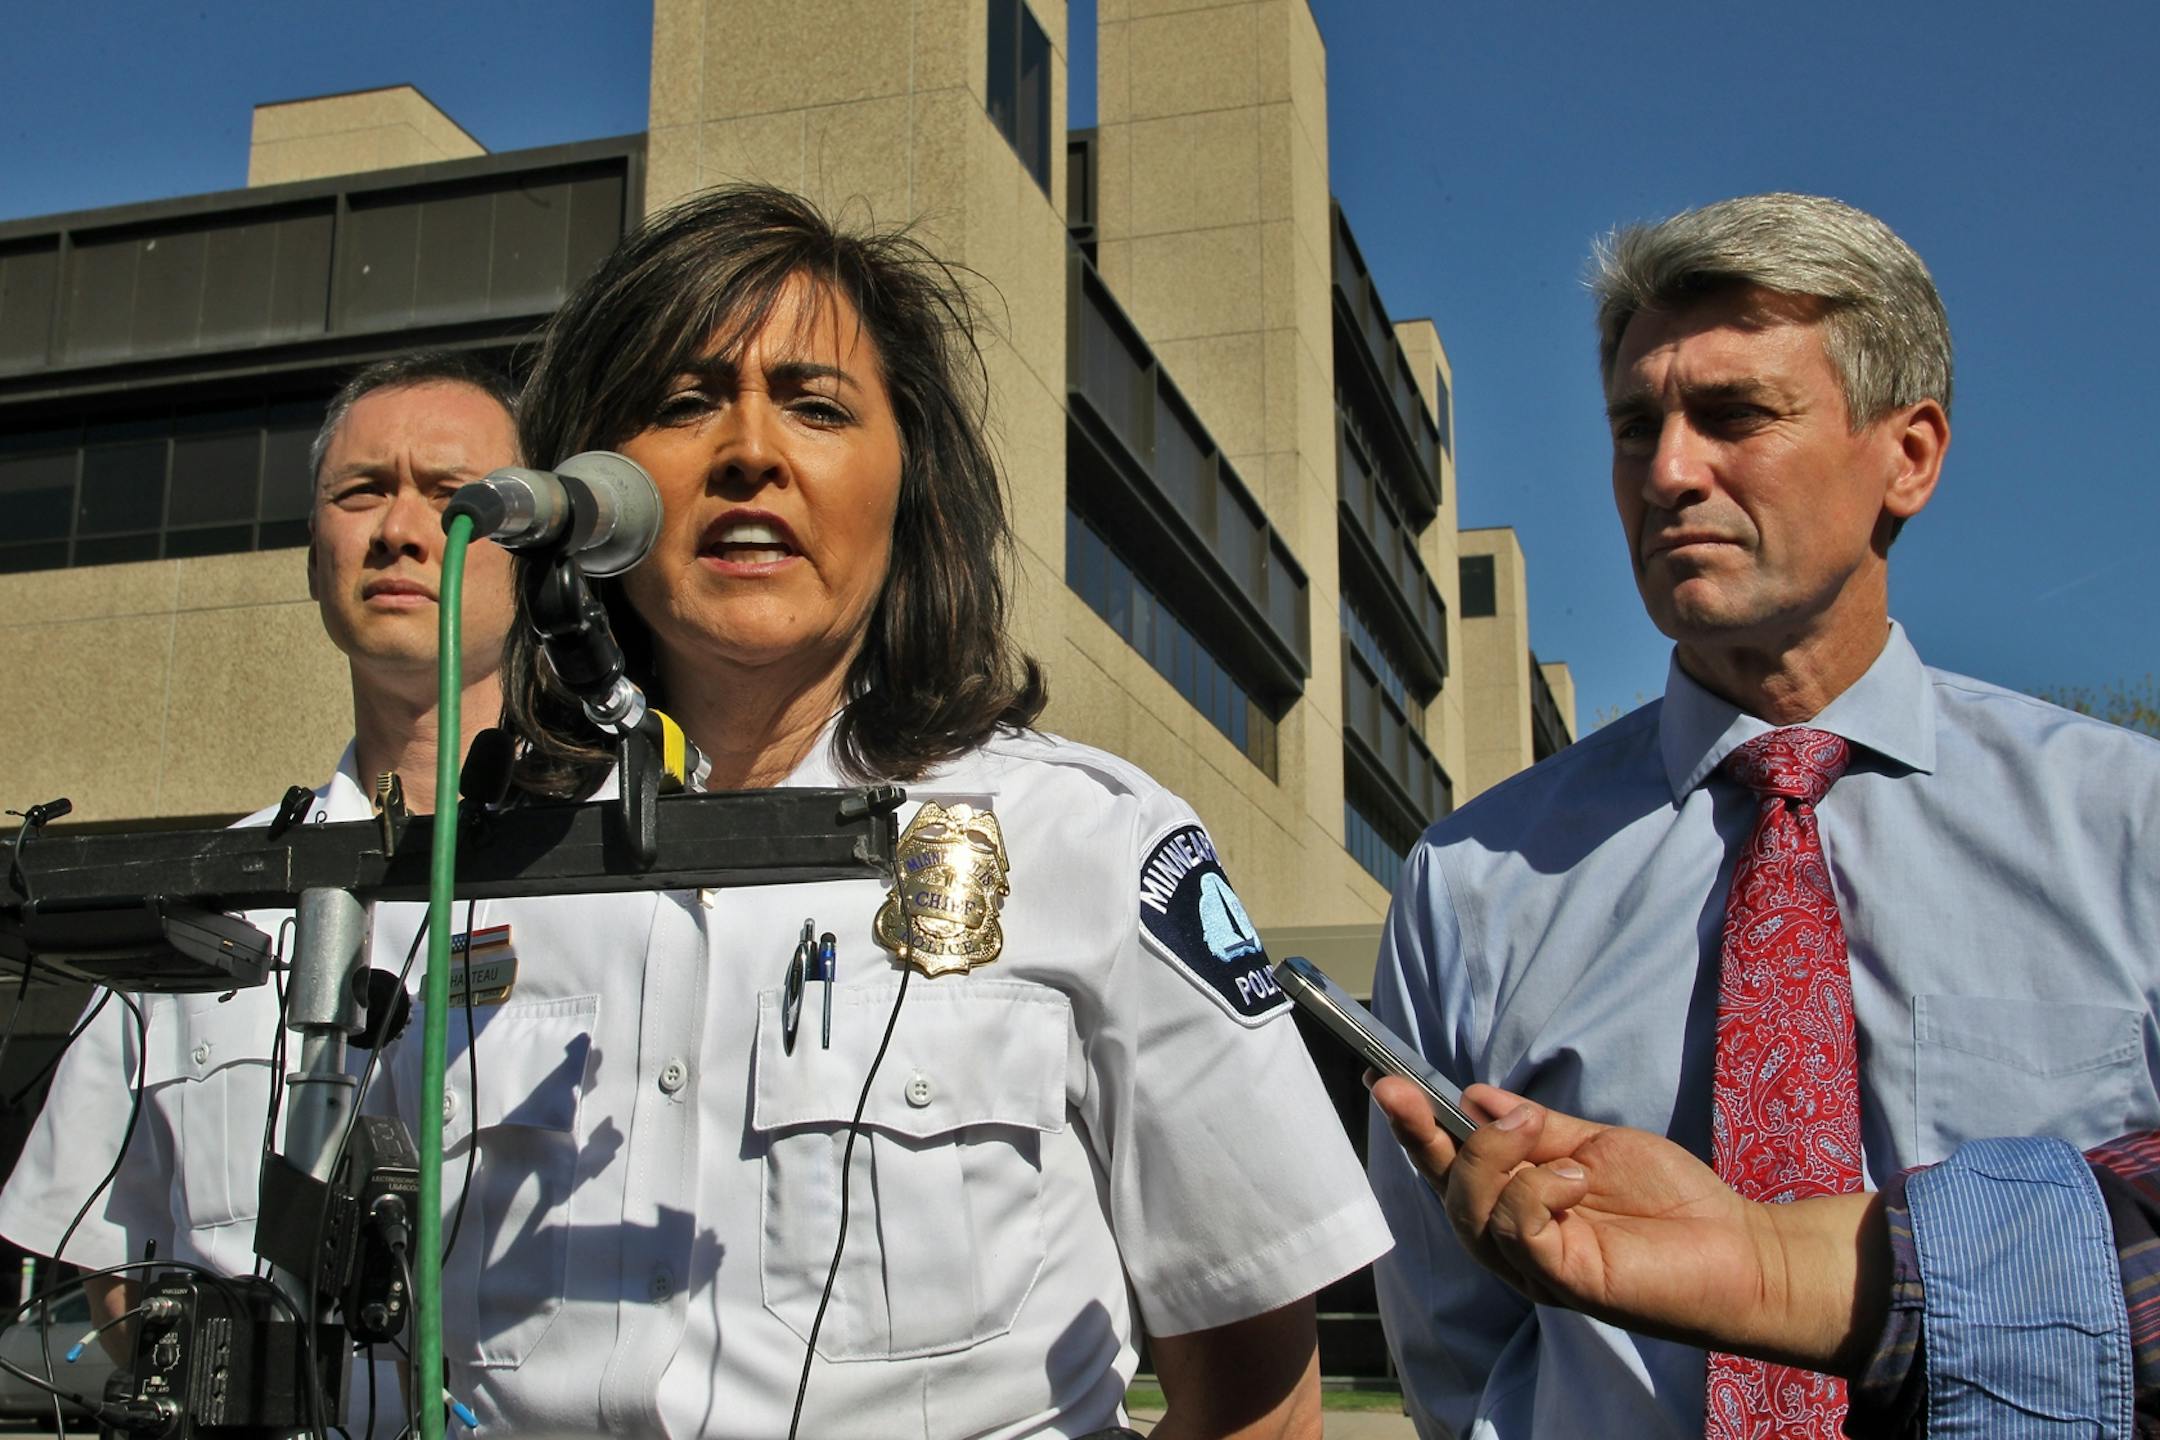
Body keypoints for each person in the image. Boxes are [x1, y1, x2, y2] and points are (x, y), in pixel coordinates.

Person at [358, 182, 1389, 1440]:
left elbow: (1259, 1410)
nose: (748, 450)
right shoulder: (478, 872)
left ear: (911, 488)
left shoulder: (1090, 840)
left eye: (816, 404)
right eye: (683, 403)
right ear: (589, 493)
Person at [1364, 191, 2160, 1440]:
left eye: (1735, 414)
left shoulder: (2131, 828)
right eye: (1637, 427)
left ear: (1910, 454)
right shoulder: (1476, 878)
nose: (1670, 471)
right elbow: (1452, 1341)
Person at [0, 351, 522, 1353]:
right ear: (312, 552)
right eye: (361, 492)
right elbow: (115, 1259)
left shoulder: (641, 872)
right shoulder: (202, 907)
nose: (405, 530)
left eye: (456, 498)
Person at [1374, 1079, 2160, 1436]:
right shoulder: (1461, 876)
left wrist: (1773, 1267)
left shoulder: (2131, 806)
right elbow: (1451, 1349)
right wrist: (1764, 1265)